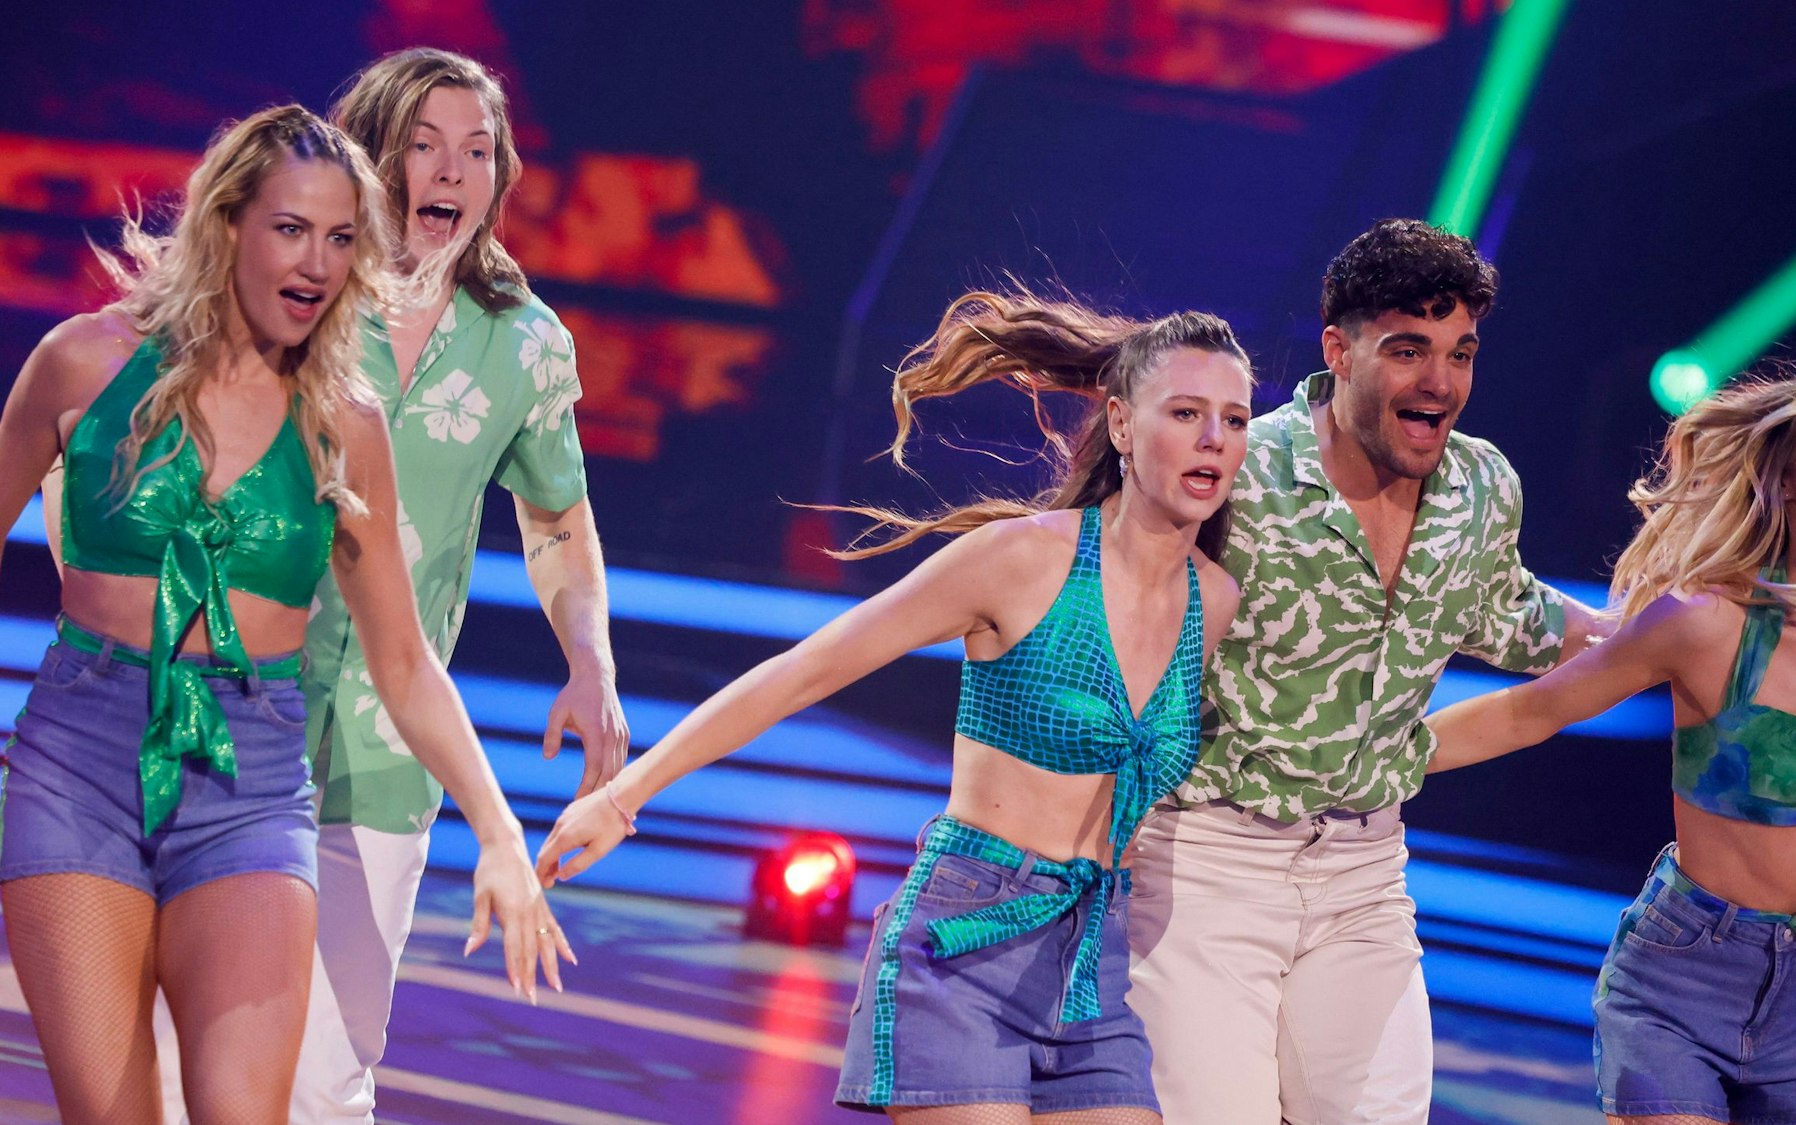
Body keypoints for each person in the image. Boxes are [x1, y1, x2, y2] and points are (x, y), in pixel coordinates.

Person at [538, 290, 1254, 1123]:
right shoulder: (1023, 560)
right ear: (1124, 427)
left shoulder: (1217, 600)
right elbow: (807, 670)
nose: (1214, 439)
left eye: (1234, 420)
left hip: (1091, 959)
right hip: (966, 944)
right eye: (1188, 412)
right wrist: (622, 797)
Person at [0, 105, 563, 1125]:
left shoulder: (345, 421)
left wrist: (499, 830)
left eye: (343, 237)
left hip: (247, 784)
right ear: (226, 226)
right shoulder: (82, 362)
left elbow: (403, 661)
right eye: (291, 229)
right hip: (75, 766)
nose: (318, 262)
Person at [1124, 218, 1603, 1124]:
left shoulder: (1482, 485)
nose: (1440, 382)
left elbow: (1519, 614)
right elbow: (1120, 637)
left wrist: (1671, 635)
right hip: (1209, 864)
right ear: (1338, 350)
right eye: (1409, 350)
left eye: (1460, 354)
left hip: (1365, 878)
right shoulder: (1240, 468)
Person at [1426, 342, 1796, 1123]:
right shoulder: (1702, 621)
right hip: (1680, 977)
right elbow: (1532, 709)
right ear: (1785, 477)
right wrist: (1382, 755)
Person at [266, 48, 625, 1124]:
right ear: (373, 160)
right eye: (423, 145)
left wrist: (590, 659)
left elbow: (558, 519)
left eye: (475, 150)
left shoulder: (524, 345)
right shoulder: (296, 297)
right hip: (235, 715)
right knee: (197, 1052)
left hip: (391, 747)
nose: (450, 171)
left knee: (328, 1074)